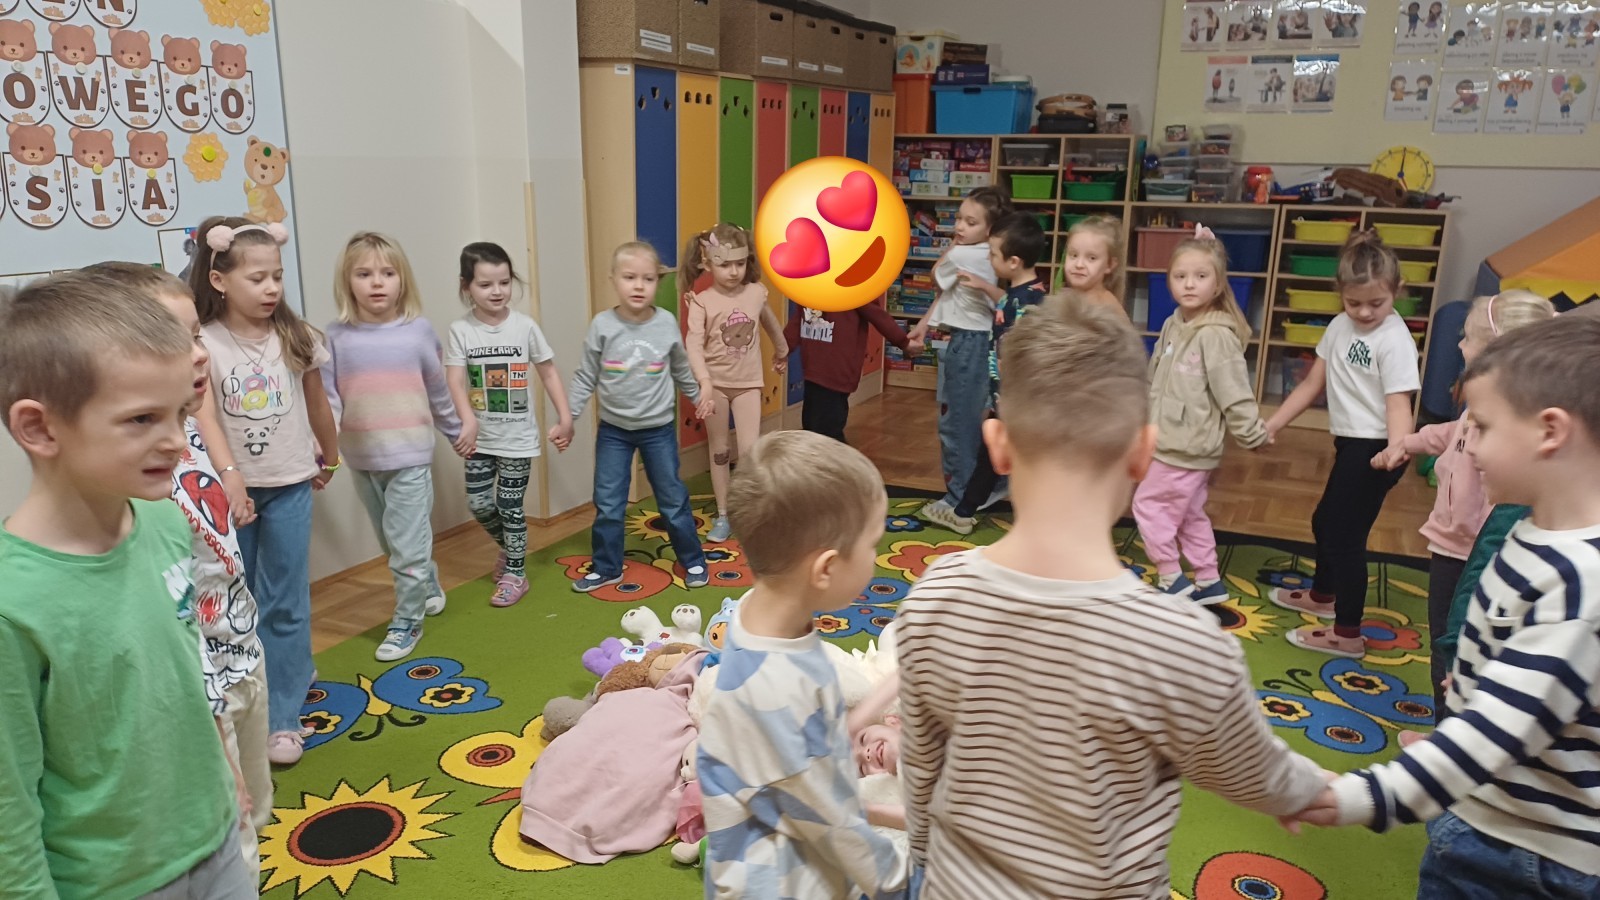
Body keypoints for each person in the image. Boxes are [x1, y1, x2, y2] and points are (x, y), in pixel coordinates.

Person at [895, 294, 1328, 899]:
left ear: (997, 445)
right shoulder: (1183, 643)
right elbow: (1248, 769)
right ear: (1144, 453)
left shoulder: (933, 598)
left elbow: (921, 768)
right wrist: (1309, 791)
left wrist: (924, 863)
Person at [1293, 315, 1600, 897]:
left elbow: (1490, 738)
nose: (1468, 442)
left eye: (1482, 426)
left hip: (1525, 854)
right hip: (1490, 813)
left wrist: (1355, 797)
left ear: (1550, 431)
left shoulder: (1579, 583)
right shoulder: (1533, 531)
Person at [0, 272, 254, 898]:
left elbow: (183, 673)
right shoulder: (13, 605)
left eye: (181, 414)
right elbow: (10, 806)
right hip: (112, 882)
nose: (175, 442)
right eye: (142, 419)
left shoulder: (165, 522)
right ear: (40, 428)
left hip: (217, 840)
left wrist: (225, 770)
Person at [83, 261, 272, 878]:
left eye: (195, 335)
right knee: (229, 832)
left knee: (256, 810)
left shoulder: (184, 430)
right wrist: (207, 719)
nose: (197, 354)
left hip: (241, 649)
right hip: (196, 684)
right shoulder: (131, 472)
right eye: (174, 339)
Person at [697, 430, 908, 900]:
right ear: (826, 569)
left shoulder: (760, 613)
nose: (876, 560)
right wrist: (906, 882)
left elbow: (802, 750)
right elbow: (834, 824)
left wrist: (886, 689)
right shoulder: (779, 690)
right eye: (873, 545)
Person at [190, 216, 340, 766]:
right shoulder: (205, 343)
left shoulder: (296, 336)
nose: (271, 288)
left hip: (291, 483)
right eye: (257, 278)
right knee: (240, 600)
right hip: (233, 494)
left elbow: (318, 402)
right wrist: (229, 476)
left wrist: (331, 455)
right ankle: (256, 689)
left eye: (276, 276)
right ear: (220, 279)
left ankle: (282, 717)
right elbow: (204, 414)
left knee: (285, 601)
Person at [1371, 290, 1553, 715]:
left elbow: (1505, 508)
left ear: (1495, 353)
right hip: (1450, 547)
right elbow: (1449, 433)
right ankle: (1445, 725)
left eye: (1468, 338)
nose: (1459, 345)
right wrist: (1406, 444)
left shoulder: (1506, 427)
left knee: (1454, 644)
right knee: (1442, 639)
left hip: (1473, 558)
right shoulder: (1478, 411)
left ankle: (1450, 728)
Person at [1264, 231, 1419, 658]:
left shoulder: (1395, 340)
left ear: (1397, 291)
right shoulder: (1337, 327)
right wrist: (1273, 423)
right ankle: (1323, 596)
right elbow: (1311, 384)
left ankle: (1347, 634)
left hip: (1379, 448)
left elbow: (1399, 403)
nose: (1365, 312)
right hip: (1352, 444)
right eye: (1354, 303)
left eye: (1376, 303)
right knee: (1325, 522)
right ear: (1340, 294)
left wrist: (1398, 448)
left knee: (1344, 538)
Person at [324, 233, 464, 653]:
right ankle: (428, 582)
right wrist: (324, 449)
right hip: (361, 458)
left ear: (402, 280)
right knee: (393, 543)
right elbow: (330, 400)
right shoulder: (335, 337)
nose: (376, 282)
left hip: (410, 457)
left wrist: (455, 431)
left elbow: (437, 389)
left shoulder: (417, 332)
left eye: (387, 273)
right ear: (347, 282)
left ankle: (407, 622)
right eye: (364, 274)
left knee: (406, 549)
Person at [1133, 231, 1268, 605]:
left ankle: (1170, 576)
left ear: (1218, 283)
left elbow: (1234, 392)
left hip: (1185, 446)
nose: (1189, 284)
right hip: (1169, 438)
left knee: (1148, 506)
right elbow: (1154, 376)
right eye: (1180, 276)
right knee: (1190, 513)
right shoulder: (1174, 323)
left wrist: (1251, 433)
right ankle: (1208, 580)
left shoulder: (1216, 336)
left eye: (1201, 276)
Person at [567, 241, 710, 593]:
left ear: (657, 282)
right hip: (614, 431)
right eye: (629, 277)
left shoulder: (665, 323)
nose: (638, 286)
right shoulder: (602, 325)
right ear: (613, 280)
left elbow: (680, 369)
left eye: (647, 278)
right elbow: (585, 376)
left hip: (657, 430)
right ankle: (607, 567)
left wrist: (698, 397)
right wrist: (568, 417)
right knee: (608, 502)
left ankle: (693, 560)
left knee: (672, 500)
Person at [446, 241, 574, 607]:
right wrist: (467, 421)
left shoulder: (524, 327)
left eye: (504, 282)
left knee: (509, 504)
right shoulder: (461, 330)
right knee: (478, 503)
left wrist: (565, 418)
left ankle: (516, 573)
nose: (497, 291)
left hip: (517, 439)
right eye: (485, 284)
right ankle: (511, 547)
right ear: (466, 285)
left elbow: (548, 372)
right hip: (479, 438)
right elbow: (455, 379)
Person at [918, 212, 1048, 535]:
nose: (988, 259)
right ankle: (964, 511)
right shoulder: (1027, 293)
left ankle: (972, 512)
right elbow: (1008, 303)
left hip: (1017, 400)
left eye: (993, 254)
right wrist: (987, 287)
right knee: (991, 454)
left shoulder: (1028, 305)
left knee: (1015, 458)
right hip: (1007, 398)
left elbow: (1027, 353)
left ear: (1013, 262)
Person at [907, 186, 1012, 527]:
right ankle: (987, 485)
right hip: (981, 341)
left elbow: (936, 278)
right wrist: (925, 324)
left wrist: (953, 246)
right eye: (958, 219)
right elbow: (949, 294)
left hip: (969, 344)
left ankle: (959, 498)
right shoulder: (992, 254)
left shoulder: (965, 254)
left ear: (990, 229)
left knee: (957, 423)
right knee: (971, 419)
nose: (960, 227)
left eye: (970, 222)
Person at [680, 222, 789, 544]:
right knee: (720, 450)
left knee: (751, 451)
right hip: (714, 386)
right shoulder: (701, 301)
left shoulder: (755, 293)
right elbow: (693, 345)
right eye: (725, 264)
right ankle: (724, 513)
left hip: (748, 385)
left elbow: (771, 324)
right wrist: (703, 381)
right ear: (707, 263)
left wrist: (782, 352)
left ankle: (751, 513)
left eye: (740, 263)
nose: (733, 271)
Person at [783, 298, 921, 444]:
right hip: (813, 369)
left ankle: (837, 457)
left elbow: (877, 315)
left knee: (826, 433)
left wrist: (903, 342)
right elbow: (799, 318)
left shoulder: (853, 288)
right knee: (813, 426)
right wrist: (783, 349)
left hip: (836, 370)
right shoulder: (809, 287)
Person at [1061, 214, 1130, 320]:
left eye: (1092, 258)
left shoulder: (1106, 309)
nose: (1079, 265)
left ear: (1110, 264)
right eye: (1074, 255)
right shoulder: (1068, 298)